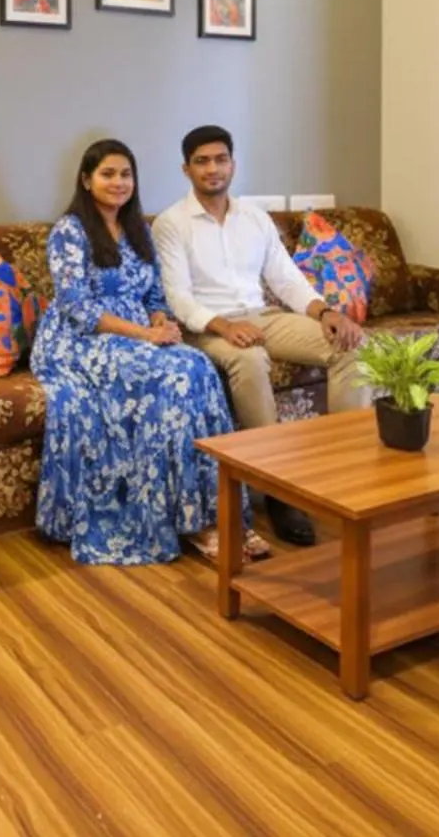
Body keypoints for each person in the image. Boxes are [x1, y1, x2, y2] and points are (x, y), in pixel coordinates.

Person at [32, 138, 269, 565]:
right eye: (107, 173)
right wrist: (144, 335)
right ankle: (193, 525)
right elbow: (77, 307)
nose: (118, 182)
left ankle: (224, 514)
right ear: (86, 180)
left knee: (197, 366)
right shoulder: (69, 230)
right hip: (80, 340)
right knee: (171, 376)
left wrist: (159, 320)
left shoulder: (139, 227)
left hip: (137, 332)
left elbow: (156, 295)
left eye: (125, 174)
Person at [152, 125, 366, 547]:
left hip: (263, 316)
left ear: (233, 163)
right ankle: (278, 489)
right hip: (207, 327)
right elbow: (178, 299)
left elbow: (287, 280)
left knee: (352, 346)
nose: (213, 169)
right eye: (202, 161)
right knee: (250, 360)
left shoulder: (254, 217)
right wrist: (226, 327)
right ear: (186, 169)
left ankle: (347, 469)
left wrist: (325, 312)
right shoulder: (170, 224)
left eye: (220, 159)